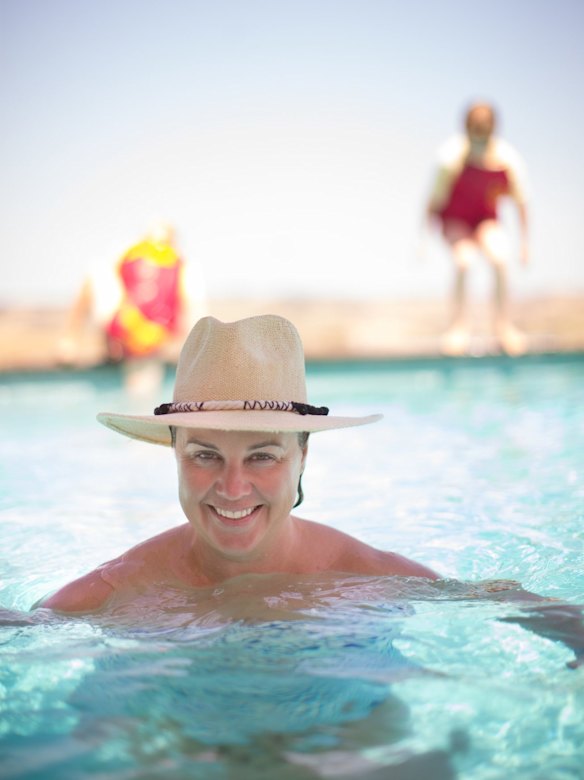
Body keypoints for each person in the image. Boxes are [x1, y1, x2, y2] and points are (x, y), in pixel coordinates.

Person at [36, 314, 584, 670]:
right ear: (173, 454)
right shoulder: (117, 588)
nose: (232, 487)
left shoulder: (365, 571)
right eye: (205, 455)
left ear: (303, 457)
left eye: (263, 456)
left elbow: (496, 599)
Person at [425, 102, 529, 356]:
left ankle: (503, 326)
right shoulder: (450, 158)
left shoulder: (506, 159)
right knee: (464, 261)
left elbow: (521, 203)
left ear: (494, 129)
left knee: (500, 257)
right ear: (466, 129)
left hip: (484, 220)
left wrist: (526, 244)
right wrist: (425, 241)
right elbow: (433, 202)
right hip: (455, 221)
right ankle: (458, 328)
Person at [58, 222, 206, 395]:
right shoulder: (184, 266)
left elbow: (115, 287)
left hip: (122, 330)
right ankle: (106, 347)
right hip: (153, 344)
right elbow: (194, 310)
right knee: (143, 394)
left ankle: (69, 343)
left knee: (95, 272)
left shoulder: (129, 252)